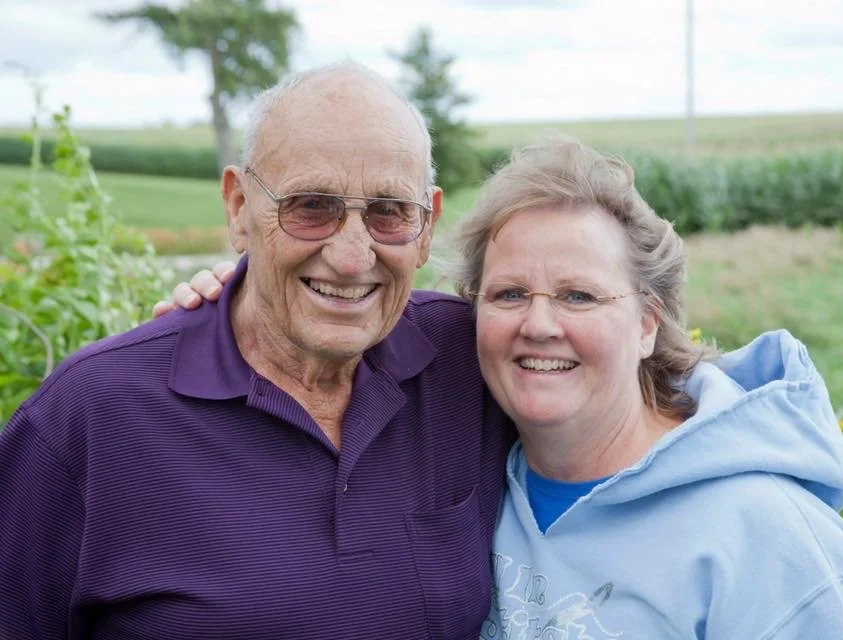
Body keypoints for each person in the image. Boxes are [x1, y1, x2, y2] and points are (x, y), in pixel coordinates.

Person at [170, 139, 843, 638]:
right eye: (510, 294)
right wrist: (235, 308)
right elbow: (331, 325)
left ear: (647, 323)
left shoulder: (771, 540)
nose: (539, 325)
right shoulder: (479, 466)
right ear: (471, 314)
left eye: (579, 297)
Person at [0, 62, 513, 639]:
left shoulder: (473, 360)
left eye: (389, 212)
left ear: (427, 226)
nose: (350, 256)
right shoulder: (91, 413)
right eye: (310, 207)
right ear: (239, 206)